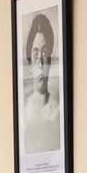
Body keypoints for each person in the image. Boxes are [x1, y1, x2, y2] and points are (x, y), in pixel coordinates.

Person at [21, 11, 63, 155]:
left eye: (45, 53)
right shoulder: (23, 117)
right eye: (35, 54)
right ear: (29, 62)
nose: (40, 63)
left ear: (50, 61)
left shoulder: (58, 112)